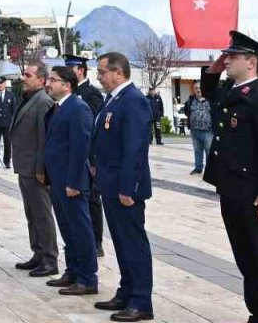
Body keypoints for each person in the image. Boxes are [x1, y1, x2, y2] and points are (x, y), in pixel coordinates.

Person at [201, 31, 258, 323]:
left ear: (251, 62)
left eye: (233, 56)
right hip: (232, 190)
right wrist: (211, 73)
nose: (226, 60)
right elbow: (212, 96)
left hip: (256, 195)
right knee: (246, 258)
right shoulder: (234, 94)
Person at [91, 53, 153, 321]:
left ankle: (141, 301)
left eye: (102, 72)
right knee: (120, 242)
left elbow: (134, 149)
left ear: (118, 72)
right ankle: (126, 292)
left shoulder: (134, 101)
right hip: (110, 184)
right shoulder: (114, 99)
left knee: (133, 244)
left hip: (125, 188)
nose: (99, 77)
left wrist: (128, 187)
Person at [42, 66, 98, 297]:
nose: (48, 84)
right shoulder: (59, 107)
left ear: (67, 85)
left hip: (71, 181)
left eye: (53, 80)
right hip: (57, 179)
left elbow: (80, 148)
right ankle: (73, 270)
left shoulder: (78, 108)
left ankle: (87, 278)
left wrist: (74, 182)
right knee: (67, 228)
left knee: (80, 229)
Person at [11, 64, 59, 278]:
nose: (24, 78)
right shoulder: (28, 98)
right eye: (24, 74)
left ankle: (50, 259)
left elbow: (44, 140)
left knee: (42, 215)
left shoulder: (43, 102)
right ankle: (38, 253)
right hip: (25, 168)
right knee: (32, 214)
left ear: (41, 80)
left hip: (35, 170)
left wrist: (42, 170)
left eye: (28, 75)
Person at [65, 54, 106, 257]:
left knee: (91, 198)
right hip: (71, 154)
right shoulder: (69, 93)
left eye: (71, 68)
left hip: (88, 155)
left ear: (81, 70)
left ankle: (96, 241)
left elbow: (95, 127)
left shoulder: (90, 94)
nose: (68, 71)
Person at [183, 87, 214, 175]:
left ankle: (210, 170)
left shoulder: (210, 100)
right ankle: (198, 167)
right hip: (194, 130)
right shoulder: (190, 101)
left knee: (209, 150)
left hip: (208, 130)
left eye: (200, 88)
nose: (198, 90)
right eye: (196, 88)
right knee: (197, 150)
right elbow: (186, 111)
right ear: (194, 90)